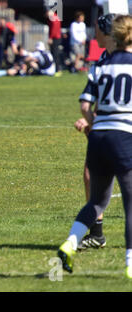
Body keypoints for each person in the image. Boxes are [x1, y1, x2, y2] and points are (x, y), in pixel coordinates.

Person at [57, 15, 132, 278]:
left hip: (99, 136)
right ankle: (131, 264)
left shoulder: (101, 66)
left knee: (97, 202)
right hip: (124, 137)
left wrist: (92, 124)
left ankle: (71, 243)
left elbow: (85, 105)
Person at [73, 13, 119, 250]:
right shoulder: (102, 60)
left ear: (109, 33)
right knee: (91, 175)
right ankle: (97, 234)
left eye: (97, 30)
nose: (94, 35)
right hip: (107, 127)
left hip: (121, 128)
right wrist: (93, 123)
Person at [47, 9, 63, 76]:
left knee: (55, 55)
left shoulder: (53, 18)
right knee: (56, 54)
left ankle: (57, 70)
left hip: (55, 38)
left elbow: (53, 29)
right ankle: (57, 69)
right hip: (57, 37)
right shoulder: (56, 17)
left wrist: (50, 37)